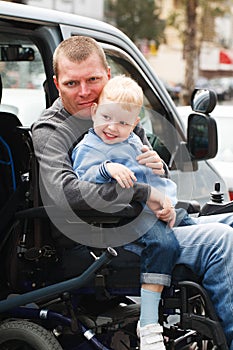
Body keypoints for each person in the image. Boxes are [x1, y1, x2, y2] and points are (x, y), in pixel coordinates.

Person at [32, 35, 233, 350]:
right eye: (72, 83)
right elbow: (65, 193)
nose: (84, 92)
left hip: (146, 222)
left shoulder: (119, 114)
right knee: (220, 242)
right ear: (57, 84)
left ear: (108, 76)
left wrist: (158, 172)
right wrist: (142, 192)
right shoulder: (52, 130)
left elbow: (148, 177)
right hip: (102, 241)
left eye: (92, 80)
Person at [71, 74, 197, 349]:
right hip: (125, 218)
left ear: (135, 125)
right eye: (106, 117)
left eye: (123, 123)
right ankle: (149, 321)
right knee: (164, 244)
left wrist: (162, 187)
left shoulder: (132, 143)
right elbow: (82, 179)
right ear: (94, 112)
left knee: (190, 223)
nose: (112, 128)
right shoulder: (89, 146)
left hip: (151, 210)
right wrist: (107, 169)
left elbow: (151, 176)